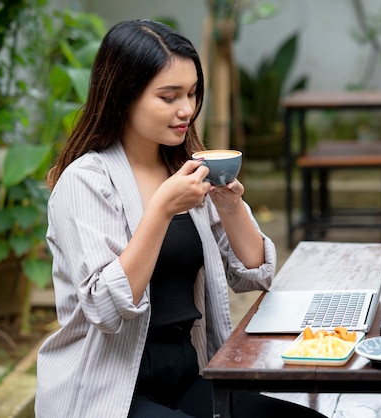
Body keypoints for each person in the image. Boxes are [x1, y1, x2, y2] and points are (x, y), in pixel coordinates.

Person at [35, 19, 325, 418]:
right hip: (110, 385)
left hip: (185, 370)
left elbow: (254, 275)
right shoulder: (85, 181)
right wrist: (161, 209)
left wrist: (229, 204)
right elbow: (104, 307)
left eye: (191, 93)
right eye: (169, 97)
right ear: (124, 97)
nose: (186, 109)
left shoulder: (186, 168)